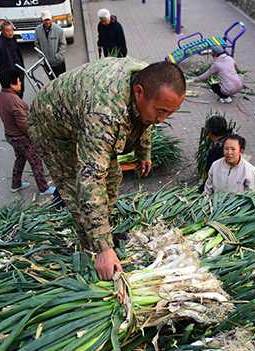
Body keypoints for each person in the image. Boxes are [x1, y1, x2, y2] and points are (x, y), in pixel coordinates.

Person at [28, 59, 186, 281]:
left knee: (112, 179)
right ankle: (91, 251)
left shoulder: (149, 80)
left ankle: (103, 235)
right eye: (160, 111)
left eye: (169, 113)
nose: (162, 119)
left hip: (84, 115)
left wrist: (144, 152)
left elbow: (146, 120)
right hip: (53, 126)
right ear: (138, 92)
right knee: (77, 190)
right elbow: (90, 179)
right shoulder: (104, 112)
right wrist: (103, 248)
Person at [0, 70, 54, 196]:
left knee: (20, 158)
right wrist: (35, 137)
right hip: (20, 137)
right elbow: (24, 125)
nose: (21, 84)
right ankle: (44, 188)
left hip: (10, 135)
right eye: (18, 82)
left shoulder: (0, 96)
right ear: (12, 85)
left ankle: (16, 184)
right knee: (35, 160)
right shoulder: (15, 102)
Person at [0, 20, 25, 99]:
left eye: (12, 30)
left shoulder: (13, 39)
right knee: (11, 97)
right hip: (8, 76)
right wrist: (5, 68)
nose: (10, 32)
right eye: (8, 30)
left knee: (20, 92)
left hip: (19, 72)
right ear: (2, 31)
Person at [34, 10, 67, 78]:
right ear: (41, 20)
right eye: (45, 20)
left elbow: (63, 44)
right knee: (51, 81)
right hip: (47, 63)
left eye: (48, 19)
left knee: (61, 80)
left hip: (59, 63)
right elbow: (37, 44)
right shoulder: (38, 30)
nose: (47, 22)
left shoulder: (59, 30)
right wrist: (41, 56)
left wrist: (58, 56)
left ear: (51, 19)